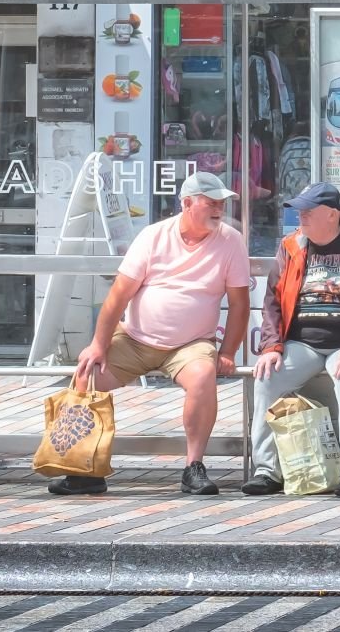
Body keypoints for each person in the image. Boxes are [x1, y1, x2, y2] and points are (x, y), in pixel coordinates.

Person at [68, 169, 251, 497]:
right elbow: (118, 296)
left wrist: (227, 352)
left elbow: (240, 304)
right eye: (211, 202)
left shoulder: (231, 240)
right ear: (187, 203)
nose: (219, 209)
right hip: (135, 339)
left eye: (221, 203)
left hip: (191, 344)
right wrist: (98, 344)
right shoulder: (153, 236)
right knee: (87, 375)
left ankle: (194, 467)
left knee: (202, 376)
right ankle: (86, 470)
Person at [246, 181, 340, 498]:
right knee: (267, 377)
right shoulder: (291, 246)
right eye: (299, 210)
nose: (301, 216)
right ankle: (267, 470)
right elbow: (272, 301)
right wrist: (271, 346)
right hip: (302, 342)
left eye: (308, 211)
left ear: (332, 214)